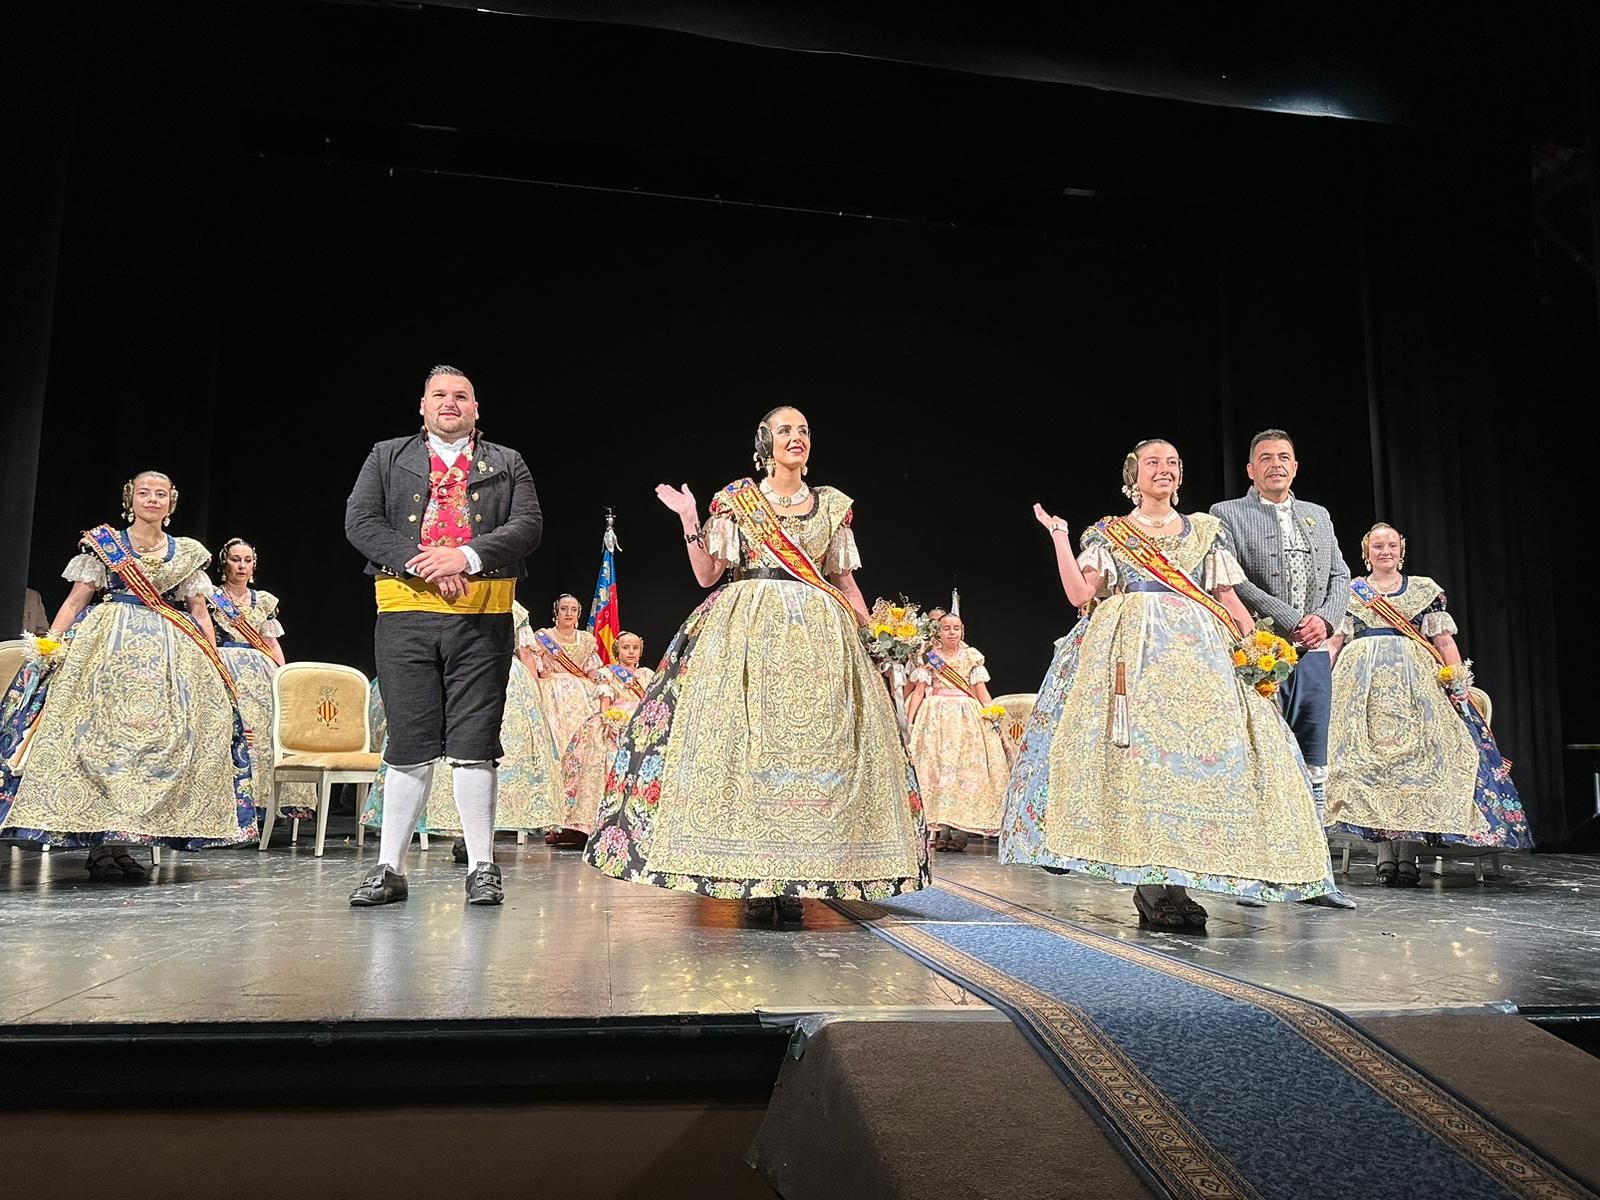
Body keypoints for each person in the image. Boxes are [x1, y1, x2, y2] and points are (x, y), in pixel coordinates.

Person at [584, 406, 928, 923]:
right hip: (744, 635)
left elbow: (844, 579)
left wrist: (875, 633)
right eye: (786, 430)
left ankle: (795, 879)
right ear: (765, 442)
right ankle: (751, 876)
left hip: (820, 641)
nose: (798, 438)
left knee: (816, 754)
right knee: (744, 749)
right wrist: (689, 518)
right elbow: (706, 575)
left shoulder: (832, 506)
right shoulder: (736, 500)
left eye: (805, 430)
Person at [1002, 439, 1334, 929]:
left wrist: (1257, 648)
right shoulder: (1110, 533)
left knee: (1189, 768)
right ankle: (1151, 886)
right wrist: (1058, 536)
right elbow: (1078, 593)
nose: (1165, 469)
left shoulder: (1205, 532)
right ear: (1132, 476)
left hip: (1200, 659)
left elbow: (1227, 597)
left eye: (1173, 463)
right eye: (1154, 463)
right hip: (1129, 658)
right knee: (1143, 766)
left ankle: (1177, 884)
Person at [343, 364, 542, 907]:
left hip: (483, 617)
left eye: (462, 396)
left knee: (475, 742)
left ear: (476, 409)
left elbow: (527, 526)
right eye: (440, 395)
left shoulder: (507, 462)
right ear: (423, 407)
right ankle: (389, 868)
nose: (450, 403)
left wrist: (467, 556)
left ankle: (482, 866)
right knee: (408, 742)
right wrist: (425, 561)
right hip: (405, 613)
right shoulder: (387, 456)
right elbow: (360, 522)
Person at [0, 471, 255, 876]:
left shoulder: (187, 553)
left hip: (168, 658)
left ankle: (122, 843)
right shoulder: (105, 546)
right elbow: (76, 599)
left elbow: (200, 612)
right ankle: (100, 846)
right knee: (101, 743)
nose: (152, 500)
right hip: (105, 653)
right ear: (130, 499)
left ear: (171, 504)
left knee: (152, 748)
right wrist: (52, 643)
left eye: (160, 494)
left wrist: (214, 658)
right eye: (144, 493)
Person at [1324, 523, 1531, 884]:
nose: (1384, 551)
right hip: (1360, 690)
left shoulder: (1424, 590)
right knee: (1372, 768)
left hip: (1416, 688)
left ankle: (1407, 856)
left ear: (1401, 551)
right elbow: (1334, 643)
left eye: (1391, 545)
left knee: (1413, 766)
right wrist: (1316, 682)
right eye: (1377, 546)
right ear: (1365, 552)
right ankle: (1384, 857)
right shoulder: (1350, 592)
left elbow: (1444, 641)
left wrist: (1457, 681)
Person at [1210, 429, 1357, 910]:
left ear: (1296, 466)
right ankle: (1255, 875)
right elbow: (1233, 581)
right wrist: (1296, 621)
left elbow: (1339, 574)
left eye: (1285, 457)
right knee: (1259, 759)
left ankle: (1317, 878)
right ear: (1250, 469)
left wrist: (1325, 620)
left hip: (1313, 655)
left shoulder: (1318, 515)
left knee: (1314, 764)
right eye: (1266, 458)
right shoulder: (1225, 514)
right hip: (1260, 651)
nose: (1276, 464)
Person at [362, 600, 566, 861]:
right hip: (456, 672)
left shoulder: (509, 605)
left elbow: (525, 654)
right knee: (436, 752)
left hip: (498, 678)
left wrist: (537, 696)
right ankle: (417, 849)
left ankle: (480, 847)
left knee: (484, 753)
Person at [207, 538, 318, 822]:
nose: (241, 565)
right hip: (224, 666)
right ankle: (230, 808)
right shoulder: (209, 597)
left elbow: (270, 643)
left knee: (266, 735)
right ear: (224, 563)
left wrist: (285, 676)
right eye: (235, 559)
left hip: (260, 671)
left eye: (247, 560)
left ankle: (263, 806)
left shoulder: (264, 601)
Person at [906, 612, 1007, 850]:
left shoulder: (971, 657)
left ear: (963, 631)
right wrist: (909, 722)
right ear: (938, 632)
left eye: (957, 628)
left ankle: (961, 833)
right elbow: (919, 691)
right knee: (939, 772)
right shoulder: (930, 658)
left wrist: (992, 714)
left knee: (965, 772)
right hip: (936, 718)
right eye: (947, 628)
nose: (952, 632)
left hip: (966, 719)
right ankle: (942, 830)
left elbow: (981, 692)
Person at [558, 630, 653, 841]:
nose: (631, 652)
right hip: (615, 722)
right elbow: (605, 707)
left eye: (635, 648)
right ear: (618, 650)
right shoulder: (607, 674)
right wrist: (611, 722)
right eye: (626, 647)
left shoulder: (647, 675)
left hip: (641, 723)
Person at [530, 593, 601, 846]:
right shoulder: (543, 638)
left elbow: (594, 671)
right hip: (555, 696)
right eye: (564, 609)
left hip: (583, 697)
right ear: (556, 612)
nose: (568, 614)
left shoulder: (587, 640)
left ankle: (579, 818)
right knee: (557, 750)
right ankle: (553, 818)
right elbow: (535, 668)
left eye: (573, 609)